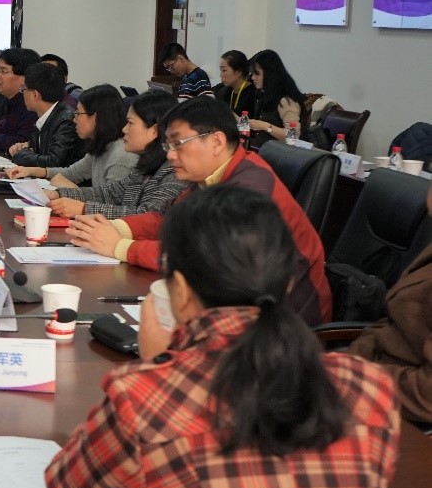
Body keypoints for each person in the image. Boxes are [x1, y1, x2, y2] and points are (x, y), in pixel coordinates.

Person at [46, 185, 399, 488]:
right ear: (289, 283)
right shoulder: (369, 385)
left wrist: (155, 364)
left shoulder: (147, 398)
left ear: (180, 292)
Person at [65, 97, 332, 325]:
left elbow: (207, 259)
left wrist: (120, 247)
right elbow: (167, 219)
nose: (170, 155)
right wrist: (114, 228)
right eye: (167, 146)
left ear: (216, 142)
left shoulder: (250, 188)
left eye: (178, 143)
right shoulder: (209, 177)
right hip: (230, 303)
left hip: (284, 322)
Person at [349, 180, 432, 423]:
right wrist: (352, 359)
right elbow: (392, 321)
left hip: (399, 413)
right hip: (374, 373)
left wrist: (355, 377)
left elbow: (426, 396)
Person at [45, 91, 185, 218]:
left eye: (130, 123)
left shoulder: (172, 172)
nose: (124, 129)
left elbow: (148, 216)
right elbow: (109, 193)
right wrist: (58, 194)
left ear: (153, 130)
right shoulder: (145, 165)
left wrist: (84, 209)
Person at [8, 84, 136, 189]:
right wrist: (31, 171)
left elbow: (111, 204)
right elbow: (73, 173)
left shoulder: (121, 156)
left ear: (95, 117)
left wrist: (73, 189)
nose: (74, 119)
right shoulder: (101, 145)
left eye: (78, 113)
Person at [4, 62, 82, 168]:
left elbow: (53, 161)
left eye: (23, 90)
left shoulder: (66, 120)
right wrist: (26, 147)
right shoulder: (46, 115)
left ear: (35, 94)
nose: (22, 94)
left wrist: (21, 154)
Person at [247, 48, 309, 146]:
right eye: (252, 73)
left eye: (257, 73)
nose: (253, 78)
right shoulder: (264, 94)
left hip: (280, 153)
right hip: (264, 149)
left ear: (270, 74)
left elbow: (293, 136)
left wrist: (266, 126)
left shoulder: (286, 101)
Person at [213, 49, 256, 117]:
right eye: (221, 70)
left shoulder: (252, 94)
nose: (221, 75)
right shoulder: (223, 91)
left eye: (224, 70)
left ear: (238, 71)